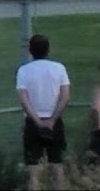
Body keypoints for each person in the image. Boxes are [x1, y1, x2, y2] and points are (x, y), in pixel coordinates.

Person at [15, 34, 70, 190]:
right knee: (57, 167)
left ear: (30, 51)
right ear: (48, 50)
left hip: (33, 122)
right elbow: (65, 97)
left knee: (33, 172)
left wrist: (38, 122)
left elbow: (24, 100)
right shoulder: (59, 68)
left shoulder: (23, 71)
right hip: (55, 121)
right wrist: (52, 120)